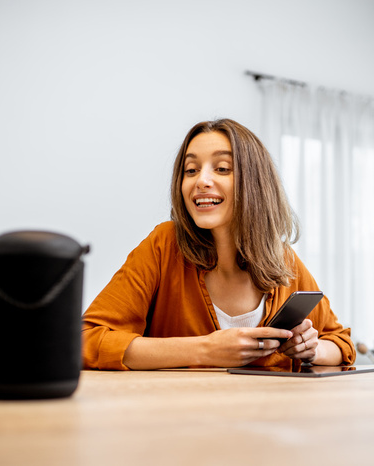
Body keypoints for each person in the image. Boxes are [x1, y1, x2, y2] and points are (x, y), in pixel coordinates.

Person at [82, 119, 355, 370]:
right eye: (191, 170)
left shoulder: (283, 260)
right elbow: (86, 340)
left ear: (255, 183)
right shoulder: (164, 245)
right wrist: (203, 349)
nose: (201, 181)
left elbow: (341, 343)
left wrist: (311, 348)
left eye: (222, 168)